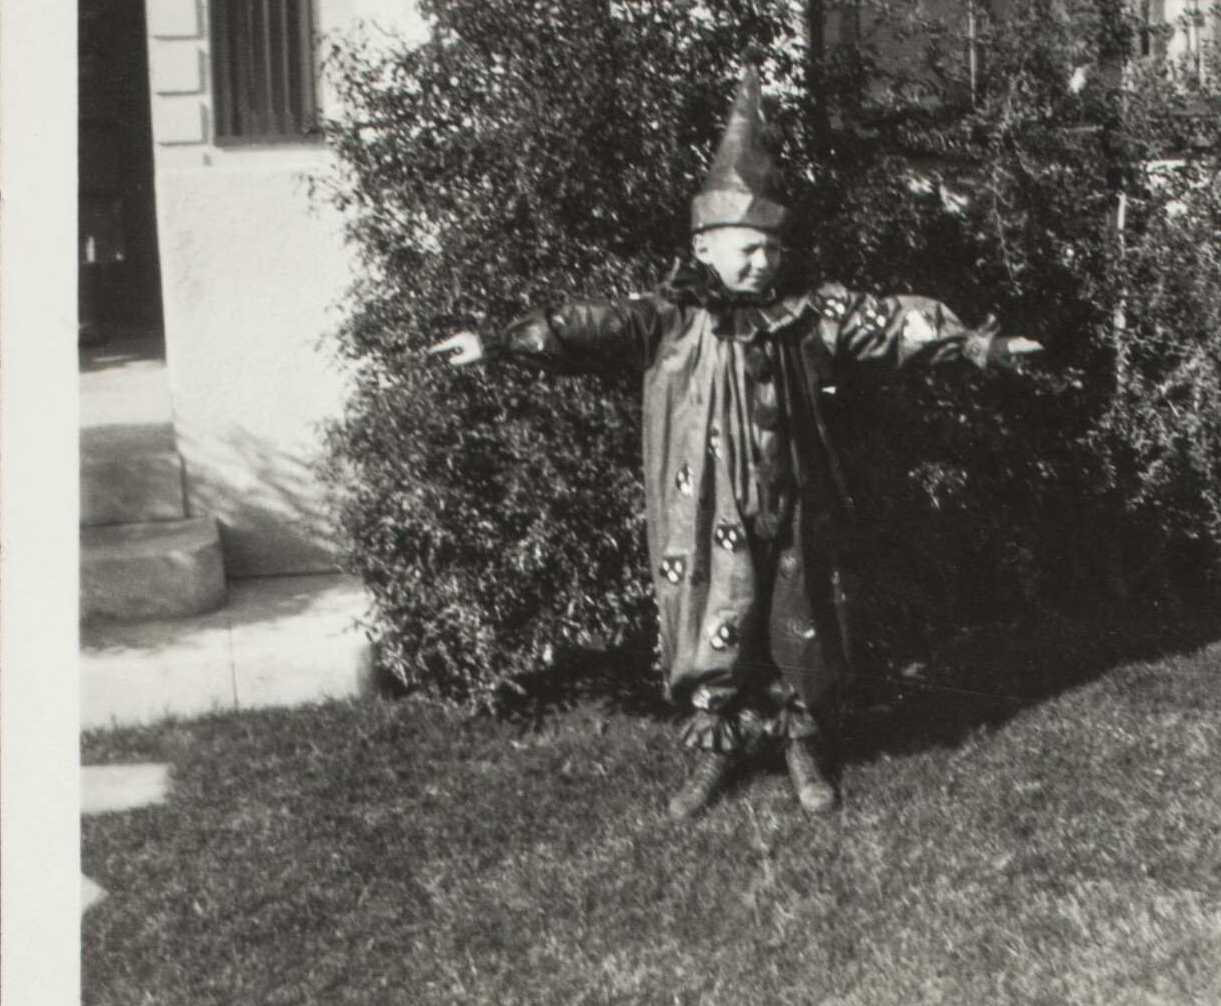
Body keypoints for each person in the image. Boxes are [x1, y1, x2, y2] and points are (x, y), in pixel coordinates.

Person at [430, 63, 1040, 822]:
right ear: (705, 246)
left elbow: (888, 322)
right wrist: (496, 341)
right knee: (709, 618)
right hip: (702, 505)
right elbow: (586, 323)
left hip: (792, 497)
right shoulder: (670, 317)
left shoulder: (808, 312)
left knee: (797, 616)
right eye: (747, 249)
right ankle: (714, 750)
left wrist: (978, 346)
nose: (763, 262)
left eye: (772, 250)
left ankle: (802, 747)